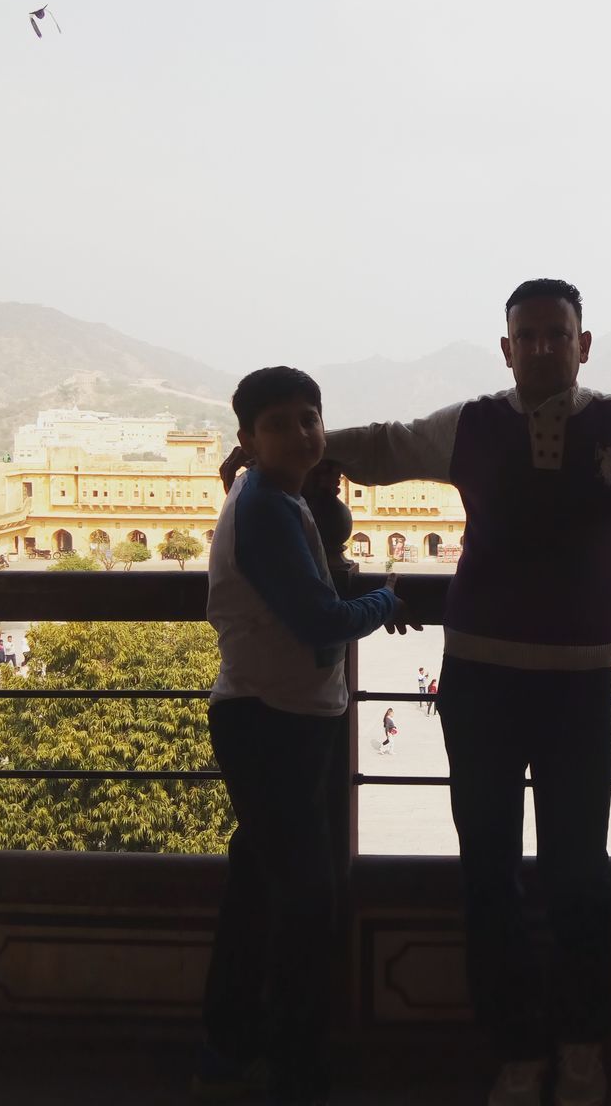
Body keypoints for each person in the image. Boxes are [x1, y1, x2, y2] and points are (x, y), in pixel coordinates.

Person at [290, 278, 611, 1106]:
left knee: (580, 875)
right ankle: (516, 1050)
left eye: (557, 333)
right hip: (480, 684)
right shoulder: (472, 425)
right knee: (490, 873)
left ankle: (579, 1045)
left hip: (577, 691)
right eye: (527, 336)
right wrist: (287, 455)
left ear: (584, 344)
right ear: (506, 349)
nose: (543, 347)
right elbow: (387, 445)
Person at [197, 366, 417, 1106]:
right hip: (271, 722)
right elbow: (320, 619)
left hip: (278, 715)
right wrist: (385, 598)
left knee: (259, 884)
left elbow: (311, 591)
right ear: (248, 439)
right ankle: (293, 1064)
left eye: (311, 418)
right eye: (281, 422)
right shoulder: (263, 505)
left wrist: (354, 593)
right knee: (308, 898)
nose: (301, 433)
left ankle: (230, 1042)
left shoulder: (270, 496)